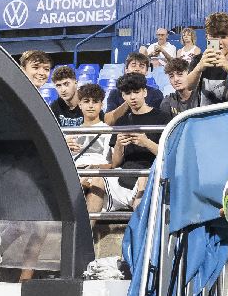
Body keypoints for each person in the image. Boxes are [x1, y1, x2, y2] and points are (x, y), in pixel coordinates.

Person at [106, 72, 168, 212]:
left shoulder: (163, 119)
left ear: (144, 92)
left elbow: (168, 155)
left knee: (143, 178)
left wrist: (146, 142)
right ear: (123, 96)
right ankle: (88, 232)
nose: (132, 97)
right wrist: (118, 145)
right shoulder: (121, 122)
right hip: (125, 174)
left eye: (136, 92)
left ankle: (137, 230)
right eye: (128, 93)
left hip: (151, 174)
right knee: (95, 182)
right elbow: (115, 163)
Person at [67, 83, 111, 214]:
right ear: (80, 104)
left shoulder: (110, 131)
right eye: (86, 101)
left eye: (95, 101)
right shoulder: (69, 133)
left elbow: (112, 164)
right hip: (75, 174)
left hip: (97, 176)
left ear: (101, 105)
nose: (91, 105)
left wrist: (92, 168)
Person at [185, 11, 228, 105]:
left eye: (223, 36)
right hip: (205, 117)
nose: (219, 42)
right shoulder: (198, 60)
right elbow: (188, 86)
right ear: (207, 37)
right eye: (214, 36)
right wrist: (199, 68)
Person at [104, 52, 164, 123]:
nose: (137, 69)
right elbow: (108, 122)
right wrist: (128, 101)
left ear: (147, 71)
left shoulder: (156, 93)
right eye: (133, 65)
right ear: (126, 70)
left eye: (141, 66)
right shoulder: (115, 93)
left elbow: (158, 119)